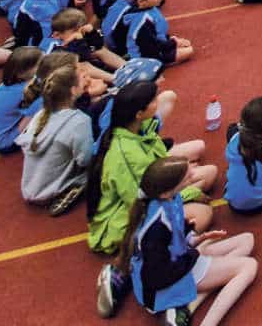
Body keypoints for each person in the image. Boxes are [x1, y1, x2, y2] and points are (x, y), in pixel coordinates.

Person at [89, 81, 215, 314]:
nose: (157, 103)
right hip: (126, 215)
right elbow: (141, 199)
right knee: (203, 213)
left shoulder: (138, 124)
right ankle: (123, 271)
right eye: (152, 101)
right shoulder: (124, 155)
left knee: (205, 166)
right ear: (139, 112)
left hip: (155, 181)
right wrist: (188, 191)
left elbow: (168, 99)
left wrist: (180, 177)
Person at [122, 157, 258, 326]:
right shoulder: (156, 227)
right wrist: (193, 256)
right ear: (166, 191)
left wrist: (195, 239)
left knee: (247, 240)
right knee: (248, 266)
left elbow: (177, 233)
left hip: (178, 261)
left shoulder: (169, 198)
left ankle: (192, 301)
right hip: (162, 287)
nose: (193, 174)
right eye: (187, 176)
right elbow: (156, 276)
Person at [16, 58, 96, 216]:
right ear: (73, 91)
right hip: (53, 189)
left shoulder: (40, 114)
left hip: (30, 186)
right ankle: (76, 185)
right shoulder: (79, 121)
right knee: (102, 159)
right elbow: (85, 160)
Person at [0, 47, 43, 153]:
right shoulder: (25, 91)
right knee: (42, 106)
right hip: (4, 143)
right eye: (40, 64)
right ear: (25, 72)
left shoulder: (12, 80)